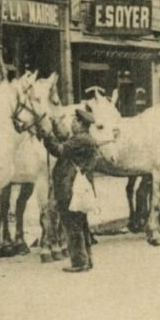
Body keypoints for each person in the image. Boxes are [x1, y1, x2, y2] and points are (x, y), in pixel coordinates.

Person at [42, 108, 103, 272]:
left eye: (75, 121)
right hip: (79, 189)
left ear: (81, 124)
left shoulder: (80, 140)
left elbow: (59, 150)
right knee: (81, 225)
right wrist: (55, 127)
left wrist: (47, 135)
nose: (72, 124)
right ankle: (87, 259)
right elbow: (66, 143)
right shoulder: (86, 139)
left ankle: (79, 262)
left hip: (70, 188)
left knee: (72, 226)